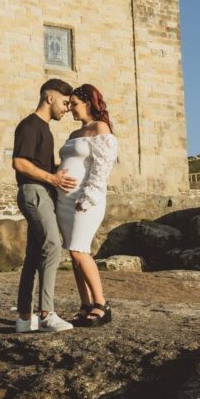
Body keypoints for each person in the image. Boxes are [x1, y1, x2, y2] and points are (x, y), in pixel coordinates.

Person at [12, 79, 77, 333]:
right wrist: (53, 178)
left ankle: (24, 319)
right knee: (53, 246)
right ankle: (47, 314)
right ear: (49, 98)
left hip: (40, 193)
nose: (67, 109)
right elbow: (19, 163)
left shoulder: (45, 130)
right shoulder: (31, 126)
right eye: (64, 103)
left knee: (33, 256)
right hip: (34, 193)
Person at [56, 84, 118, 326]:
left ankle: (101, 304)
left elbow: (102, 168)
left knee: (79, 250)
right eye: (69, 104)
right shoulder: (74, 134)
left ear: (88, 103)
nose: (70, 108)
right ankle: (85, 303)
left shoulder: (100, 128)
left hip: (86, 199)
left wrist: (88, 197)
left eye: (74, 104)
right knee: (73, 253)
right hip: (64, 200)